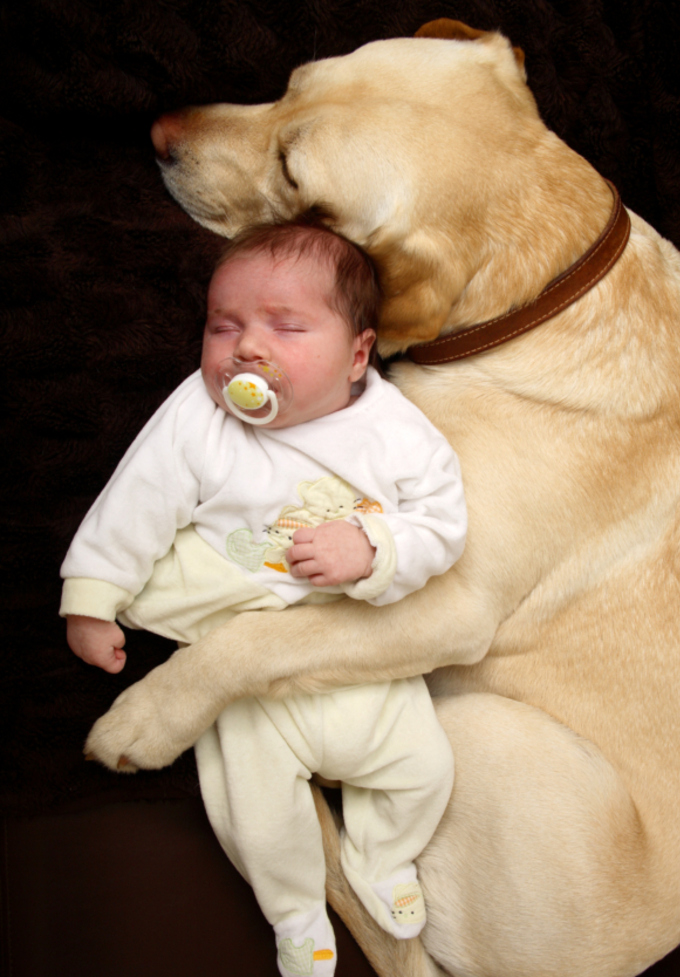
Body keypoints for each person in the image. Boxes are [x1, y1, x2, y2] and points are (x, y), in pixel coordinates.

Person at [60, 221, 467, 977]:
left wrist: (373, 549)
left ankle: (382, 854)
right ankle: (295, 909)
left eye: (285, 326)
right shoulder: (197, 415)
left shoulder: (395, 433)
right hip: (238, 662)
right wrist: (93, 594)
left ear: (355, 356)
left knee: (422, 769)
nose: (247, 348)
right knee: (255, 812)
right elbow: (137, 500)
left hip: (347, 650)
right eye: (225, 327)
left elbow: (444, 524)